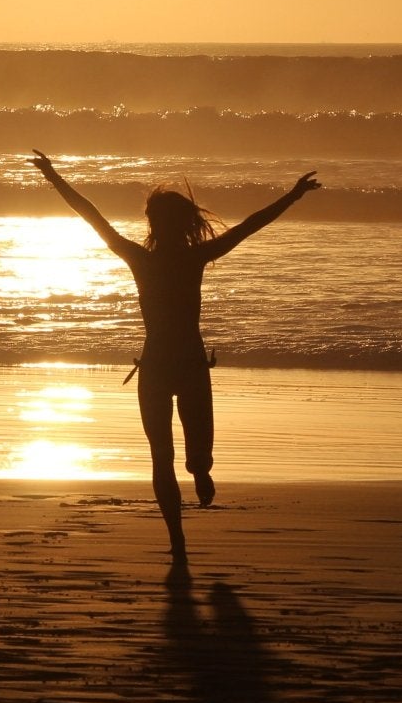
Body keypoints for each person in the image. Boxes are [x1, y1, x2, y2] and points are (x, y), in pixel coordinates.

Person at [28, 150, 320, 556]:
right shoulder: (191, 257)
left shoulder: (143, 258)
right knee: (179, 455)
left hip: (160, 367)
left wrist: (54, 175)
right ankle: (183, 523)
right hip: (186, 366)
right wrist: (293, 195)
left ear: (156, 224)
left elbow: (91, 216)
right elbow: (247, 227)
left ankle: (182, 521)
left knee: (168, 457)